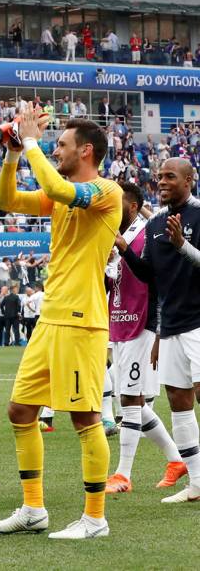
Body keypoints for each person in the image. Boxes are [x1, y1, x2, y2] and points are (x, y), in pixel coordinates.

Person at [0, 110, 121, 539]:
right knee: (20, 409)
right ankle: (32, 509)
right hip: (51, 319)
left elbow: (55, 186)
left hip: (82, 321)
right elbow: (8, 202)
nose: (54, 149)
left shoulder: (106, 191)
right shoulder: (64, 195)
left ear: (85, 151)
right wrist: (12, 155)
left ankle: (95, 518)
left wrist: (29, 142)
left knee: (85, 418)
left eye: (61, 145)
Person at [118, 157, 200, 503]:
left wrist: (183, 245)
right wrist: (124, 250)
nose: (162, 181)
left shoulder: (198, 215)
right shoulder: (155, 225)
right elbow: (153, 278)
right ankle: (196, 483)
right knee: (178, 401)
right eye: (159, 177)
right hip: (172, 326)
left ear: (189, 180)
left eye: (170, 176)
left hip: (199, 322)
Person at [104, 182, 186, 494]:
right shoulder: (121, 236)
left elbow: (152, 276)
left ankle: (123, 474)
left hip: (144, 323)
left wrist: (123, 248)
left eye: (118, 202)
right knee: (132, 397)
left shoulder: (147, 234)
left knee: (129, 400)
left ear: (134, 206)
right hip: (121, 320)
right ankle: (176, 460)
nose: (112, 207)